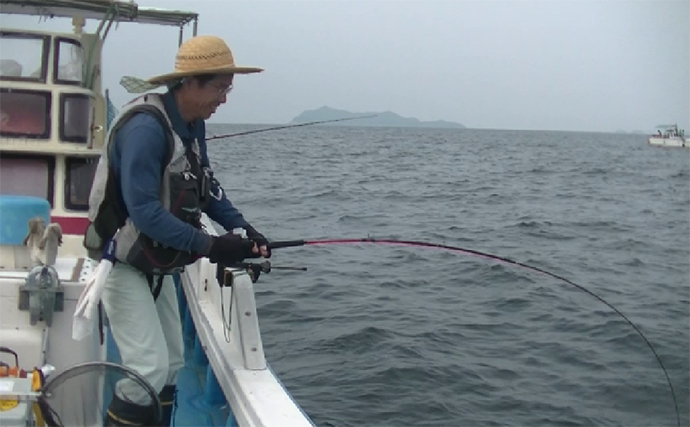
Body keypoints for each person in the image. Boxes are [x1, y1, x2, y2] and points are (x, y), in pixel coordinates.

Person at [84, 35, 270, 426]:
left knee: (171, 363)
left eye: (228, 88)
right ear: (190, 83)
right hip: (120, 259)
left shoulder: (192, 124)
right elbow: (146, 212)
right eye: (219, 87)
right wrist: (211, 245)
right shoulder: (145, 130)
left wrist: (241, 227)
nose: (224, 98)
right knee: (147, 370)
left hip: (155, 260)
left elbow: (206, 184)